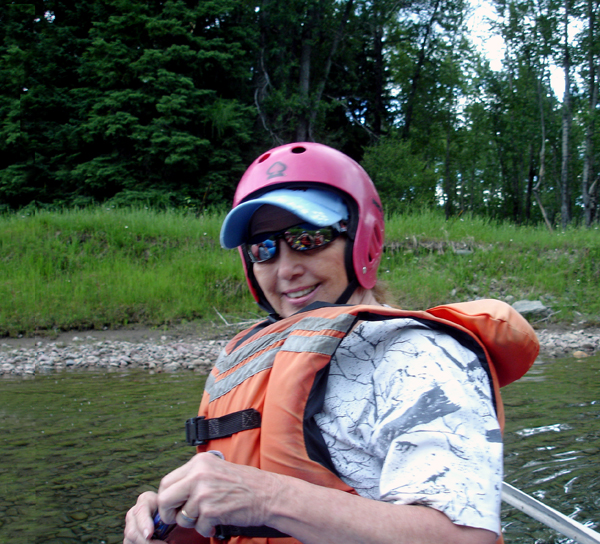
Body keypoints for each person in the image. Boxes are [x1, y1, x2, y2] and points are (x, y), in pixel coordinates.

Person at [124, 143, 539, 544]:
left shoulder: (418, 354)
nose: (286, 268)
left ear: (362, 239)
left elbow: (461, 539)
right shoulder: (258, 358)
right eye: (263, 248)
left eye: (308, 238)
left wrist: (268, 499)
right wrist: (176, 518)